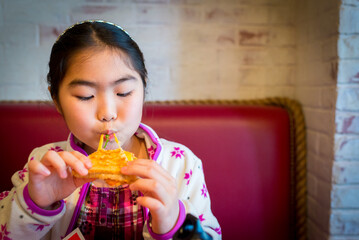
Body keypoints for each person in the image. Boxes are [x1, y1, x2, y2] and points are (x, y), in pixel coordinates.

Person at [0, 20, 221, 240]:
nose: (108, 113)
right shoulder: (45, 166)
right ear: (57, 100)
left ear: (143, 88)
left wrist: (174, 224)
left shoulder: (181, 164)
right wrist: (35, 205)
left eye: (123, 92)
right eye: (85, 96)